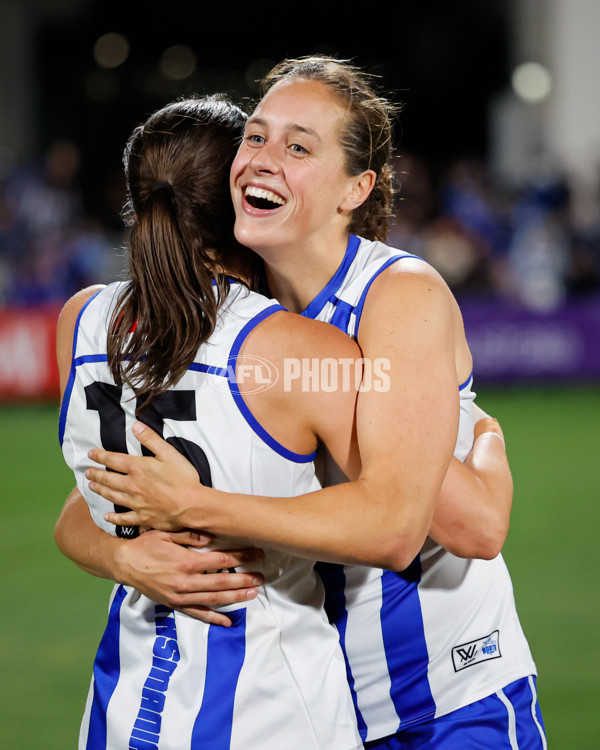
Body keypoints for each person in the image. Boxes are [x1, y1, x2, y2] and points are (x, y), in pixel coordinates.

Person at [58, 57, 545, 748]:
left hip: (437, 691)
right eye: (255, 137)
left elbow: (471, 525)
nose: (263, 159)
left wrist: (488, 461)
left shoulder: (393, 296)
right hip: (315, 697)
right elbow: (92, 502)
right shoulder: (232, 318)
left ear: (356, 188)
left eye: (298, 146)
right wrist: (124, 559)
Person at [57, 94, 371, 749]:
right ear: (242, 198)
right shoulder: (299, 349)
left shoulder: (83, 321)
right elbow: (391, 520)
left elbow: (78, 510)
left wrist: (124, 556)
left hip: (122, 705)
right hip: (270, 707)